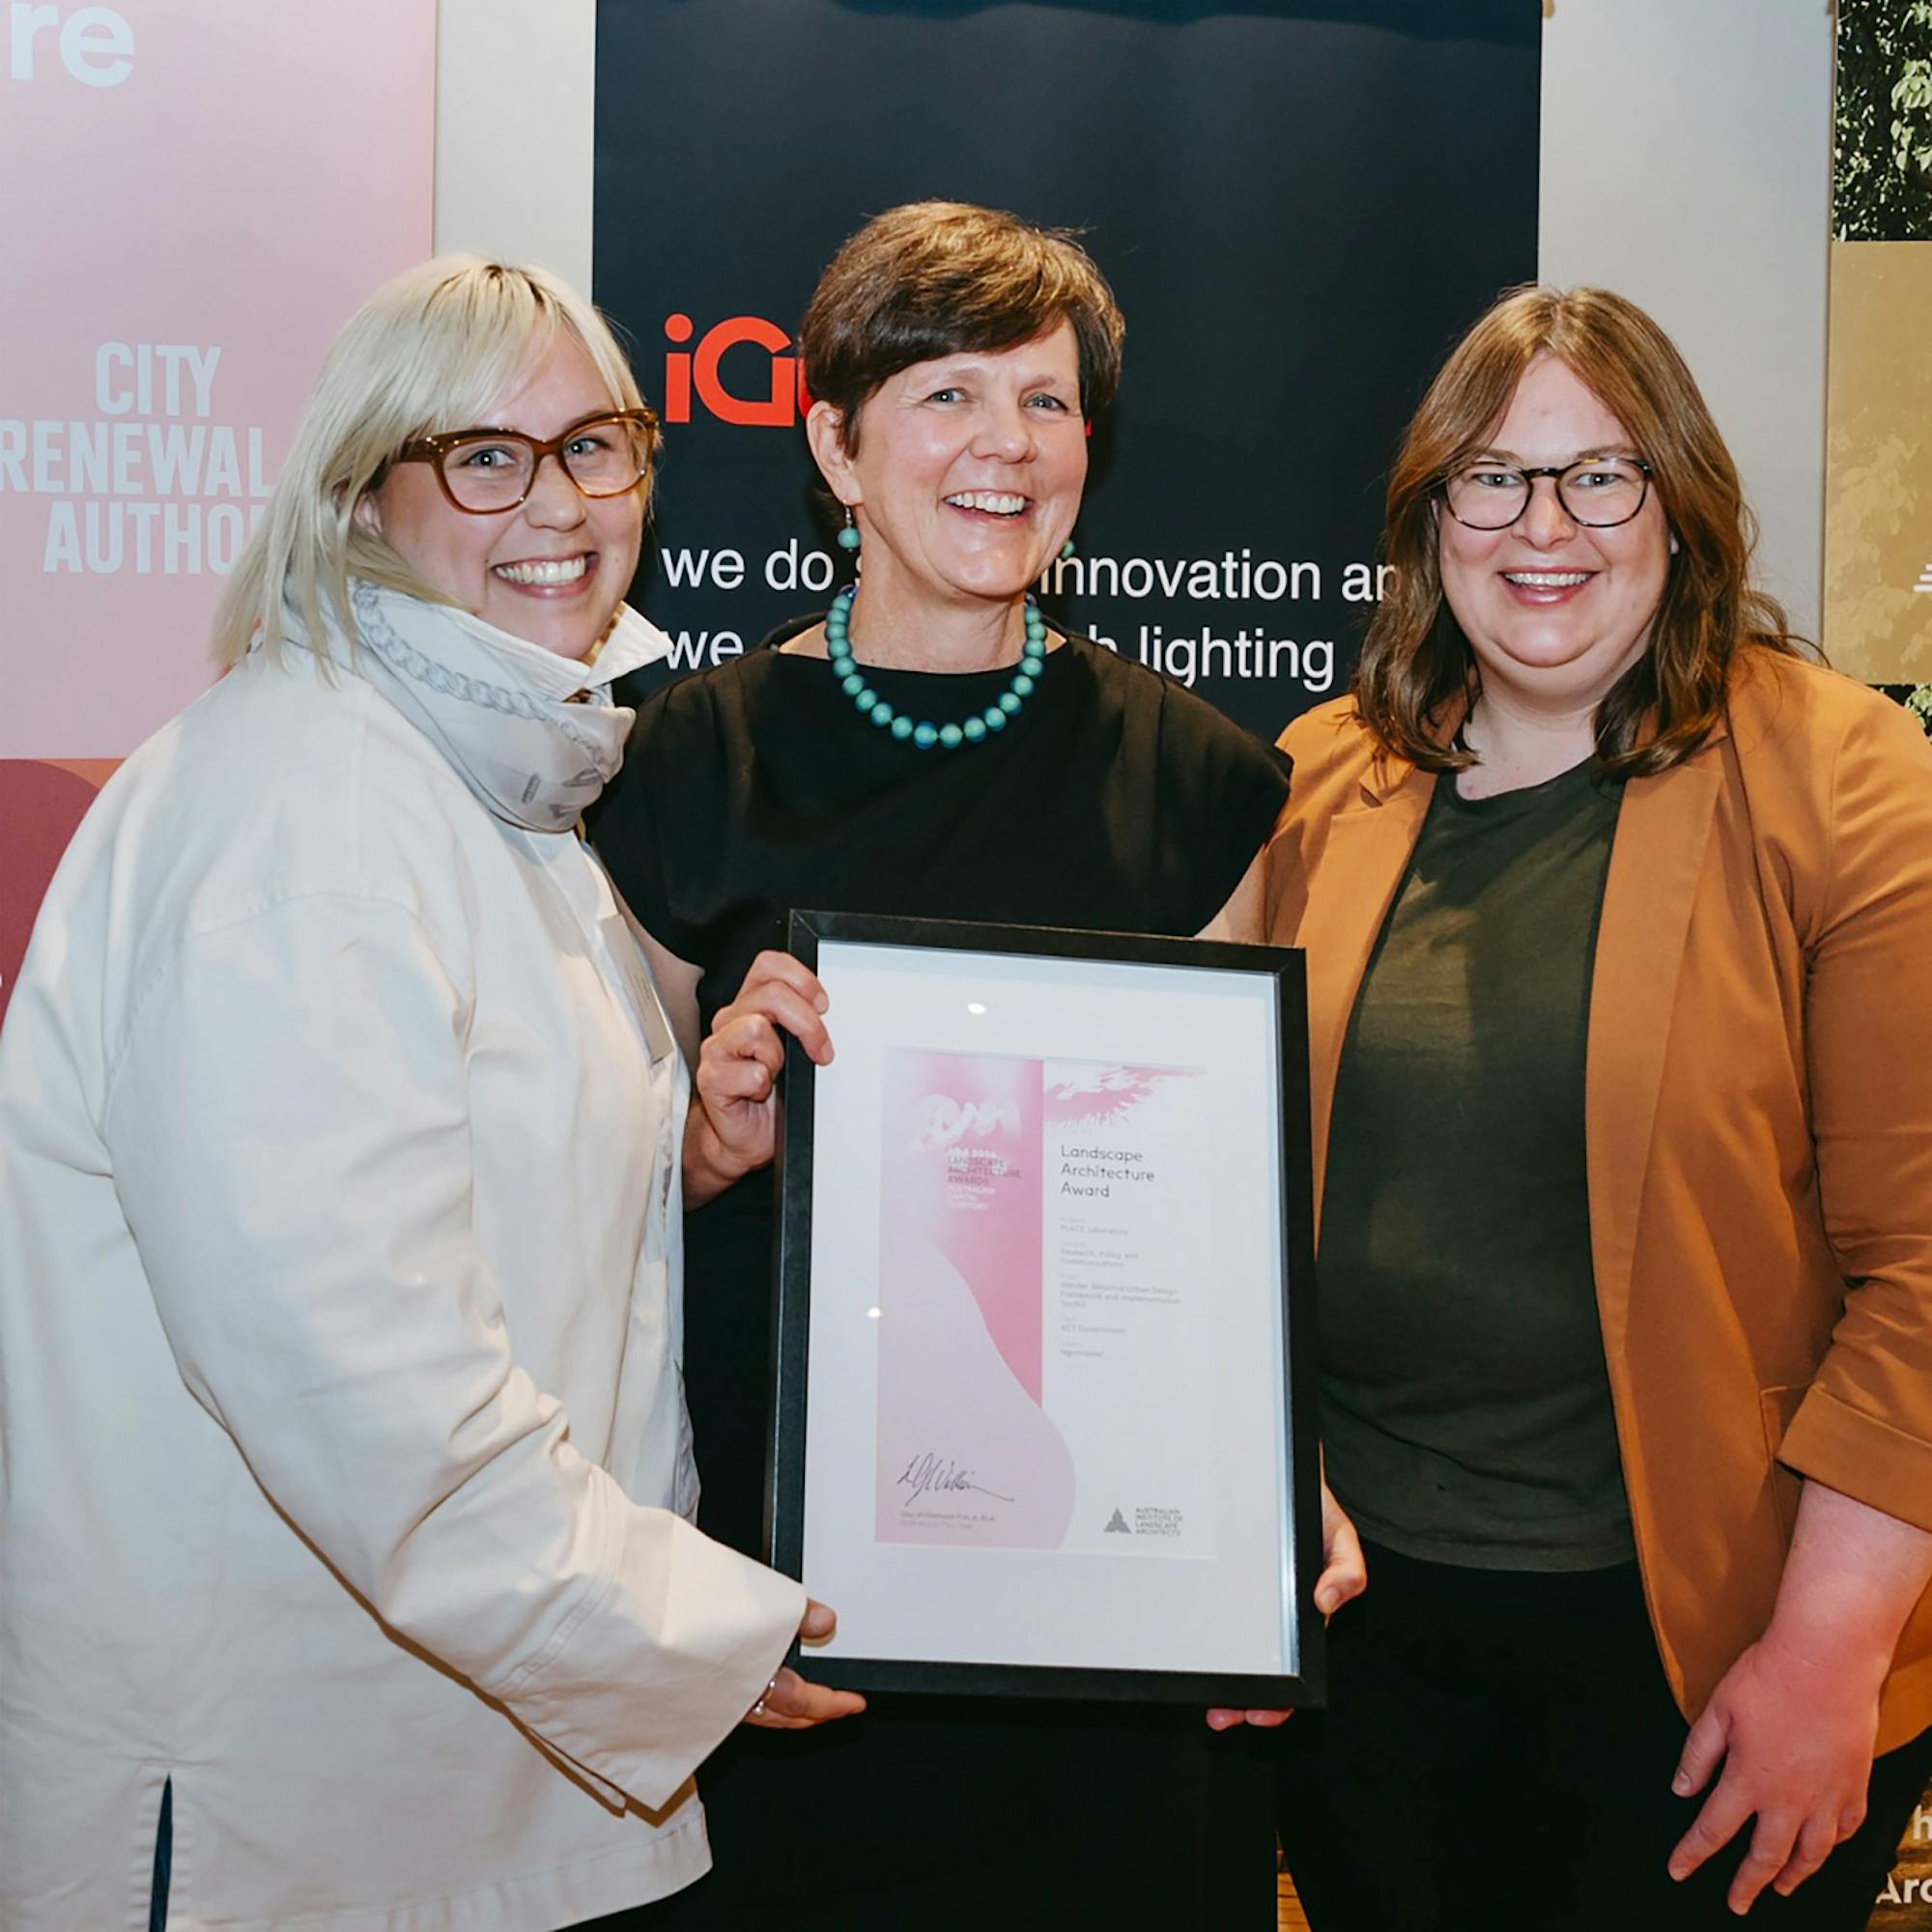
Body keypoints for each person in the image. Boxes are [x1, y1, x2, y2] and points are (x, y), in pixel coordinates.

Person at [0, 256, 862, 1932]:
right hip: (295, 1814)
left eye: (597, 445)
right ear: (362, 499)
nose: (559, 503)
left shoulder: (486, 783)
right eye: (484, 455)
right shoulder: (298, 815)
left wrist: (681, 1157)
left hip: (458, 1788)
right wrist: (681, 1636)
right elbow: (361, 1383)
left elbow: (478, 1211)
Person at [593, 200, 1359, 1928]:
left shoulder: (1203, 785)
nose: (1005, 445)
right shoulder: (677, 767)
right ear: (833, 449)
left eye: (1048, 398)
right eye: (945, 394)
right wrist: (707, 1140)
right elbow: (595, 1216)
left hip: (1092, 1612)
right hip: (778, 1605)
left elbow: (1230, 1225)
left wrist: (1263, 1513)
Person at [1264, 283, 1932, 1928]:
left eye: (1599, 476)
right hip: (1368, 1631)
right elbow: (1205, 1193)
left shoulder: (1845, 779)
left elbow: (1926, 1271)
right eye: (1489, 479)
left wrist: (1827, 1652)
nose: (1541, 526)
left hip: (1713, 1646)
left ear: (1682, 504)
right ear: (1431, 523)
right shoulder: (1322, 776)